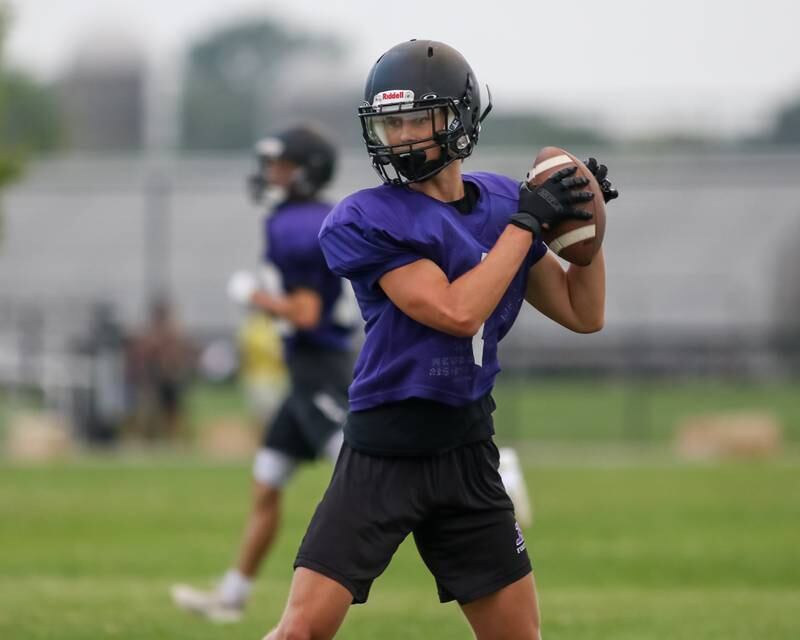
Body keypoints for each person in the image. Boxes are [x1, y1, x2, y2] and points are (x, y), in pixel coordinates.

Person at [262, 40, 619, 640]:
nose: (398, 137)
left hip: (469, 449)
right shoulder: (364, 218)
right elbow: (457, 311)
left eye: (412, 120)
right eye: (388, 122)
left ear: (456, 120)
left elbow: (585, 314)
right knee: (301, 630)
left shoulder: (505, 204)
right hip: (385, 452)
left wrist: (585, 231)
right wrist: (530, 223)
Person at [171, 124, 357, 623]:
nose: (269, 173)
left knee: (376, 480)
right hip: (305, 374)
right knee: (267, 483)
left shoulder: (294, 226)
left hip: (322, 369)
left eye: (279, 164)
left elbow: (307, 314)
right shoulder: (303, 217)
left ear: (304, 171)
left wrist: (253, 297)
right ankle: (232, 596)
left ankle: (487, 477)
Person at [127, 297, 194, 442]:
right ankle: (150, 438)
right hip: (155, 378)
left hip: (170, 378)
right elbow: (143, 353)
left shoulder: (172, 331)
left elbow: (180, 353)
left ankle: (174, 439)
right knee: (150, 410)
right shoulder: (152, 332)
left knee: (173, 411)